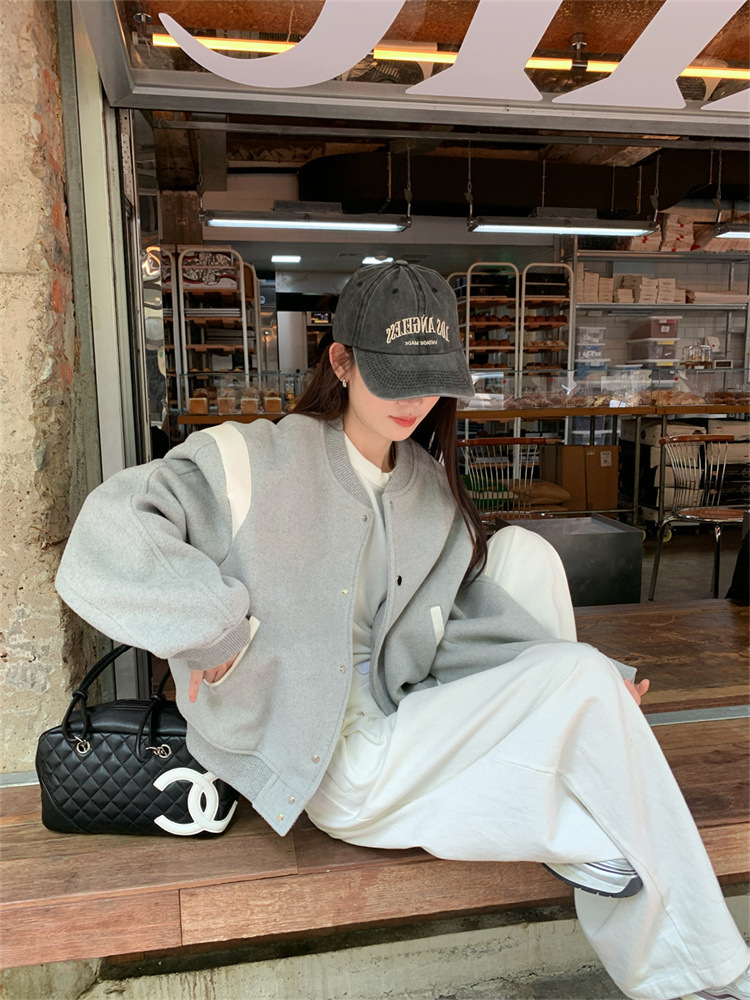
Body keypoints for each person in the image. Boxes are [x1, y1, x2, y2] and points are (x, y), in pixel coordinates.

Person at [55, 262, 748, 1000]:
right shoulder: (253, 459)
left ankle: (639, 902)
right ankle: (700, 963)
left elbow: (462, 625)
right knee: (604, 767)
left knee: (527, 561)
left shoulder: (426, 489)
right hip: (331, 760)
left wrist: (594, 682)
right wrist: (213, 628)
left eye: (430, 378)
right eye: (393, 376)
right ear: (342, 362)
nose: (414, 400)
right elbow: (112, 529)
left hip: (405, 716)